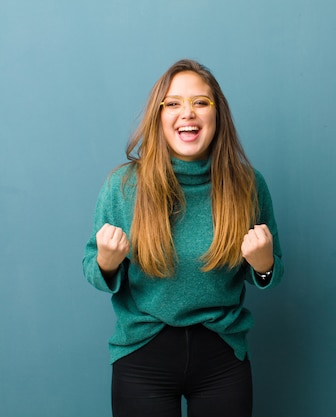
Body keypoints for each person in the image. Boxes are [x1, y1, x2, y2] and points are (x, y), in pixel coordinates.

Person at [82, 59, 283, 417]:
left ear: (217, 114)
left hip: (223, 357)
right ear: (158, 116)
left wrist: (264, 264)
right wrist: (107, 263)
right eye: (173, 103)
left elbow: (270, 272)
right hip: (142, 355)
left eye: (200, 102)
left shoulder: (249, 185)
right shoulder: (123, 186)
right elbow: (93, 269)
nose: (187, 113)